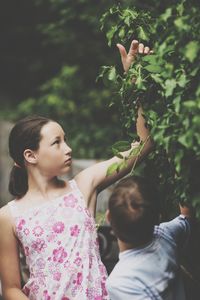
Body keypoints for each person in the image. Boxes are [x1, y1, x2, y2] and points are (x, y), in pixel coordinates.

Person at [0, 40, 153, 299]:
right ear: (30, 155)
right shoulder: (8, 217)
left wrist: (137, 82)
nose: (68, 148)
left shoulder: (83, 186)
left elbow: (144, 146)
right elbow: (12, 288)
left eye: (66, 140)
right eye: (57, 143)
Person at [106, 175, 193, 300]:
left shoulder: (119, 283)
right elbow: (186, 218)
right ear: (157, 217)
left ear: (108, 217)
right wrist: (183, 176)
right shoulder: (166, 234)